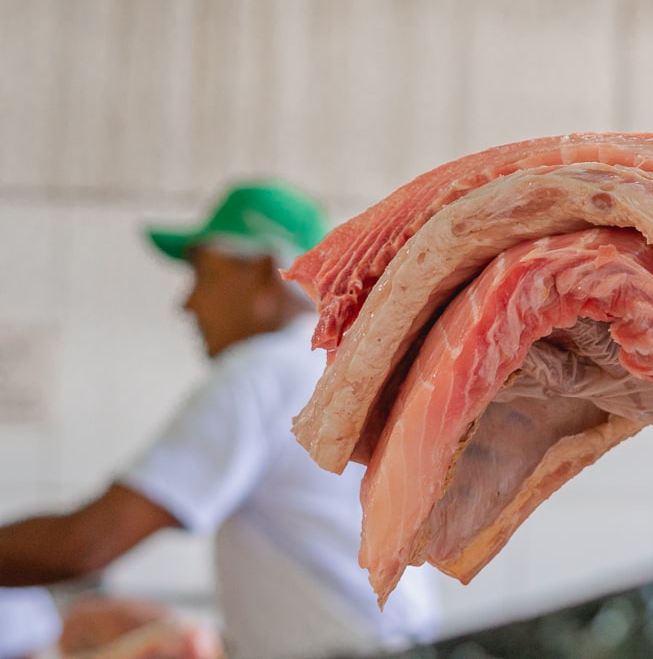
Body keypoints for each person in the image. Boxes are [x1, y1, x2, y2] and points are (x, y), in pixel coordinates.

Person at [0, 181, 442, 658]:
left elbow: (85, 544)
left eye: (203, 274)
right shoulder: (335, 371)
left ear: (262, 273)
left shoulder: (262, 374)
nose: (187, 304)